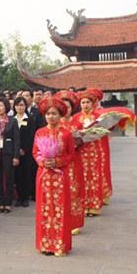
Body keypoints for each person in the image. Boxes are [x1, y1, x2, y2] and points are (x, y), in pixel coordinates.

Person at [33, 96, 75, 256]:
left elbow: (71, 155)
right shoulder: (39, 132)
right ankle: (45, 244)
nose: (51, 116)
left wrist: (57, 162)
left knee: (60, 207)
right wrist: (42, 161)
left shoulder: (66, 134)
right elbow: (35, 151)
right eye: (48, 114)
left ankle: (59, 244)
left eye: (54, 113)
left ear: (60, 115)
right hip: (44, 175)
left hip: (60, 175)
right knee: (44, 207)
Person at [72, 89, 109, 216]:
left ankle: (93, 205)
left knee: (93, 177)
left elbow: (103, 132)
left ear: (92, 103)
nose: (85, 105)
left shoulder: (98, 117)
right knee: (81, 178)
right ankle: (83, 205)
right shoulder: (76, 118)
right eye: (83, 102)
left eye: (87, 102)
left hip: (94, 150)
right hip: (81, 151)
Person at [55, 90, 85, 235]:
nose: (66, 110)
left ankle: (74, 222)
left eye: (68, 107)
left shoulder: (78, 123)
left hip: (74, 161)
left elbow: (83, 143)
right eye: (63, 107)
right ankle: (59, 219)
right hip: (58, 163)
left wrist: (78, 140)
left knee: (74, 190)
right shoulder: (54, 123)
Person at [0, 98, 20, 214]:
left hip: (8, 152)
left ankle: (8, 202)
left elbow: (17, 139)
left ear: (6, 107)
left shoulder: (12, 121)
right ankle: (0, 201)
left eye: (1, 106)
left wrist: (16, 156)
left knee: (9, 177)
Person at [13, 97, 35, 207]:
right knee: (17, 175)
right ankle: (19, 197)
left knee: (26, 174)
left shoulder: (30, 119)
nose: (19, 107)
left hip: (27, 152)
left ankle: (25, 197)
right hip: (15, 152)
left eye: (22, 105)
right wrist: (17, 150)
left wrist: (24, 149)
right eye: (17, 105)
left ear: (25, 106)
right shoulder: (12, 119)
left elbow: (31, 136)